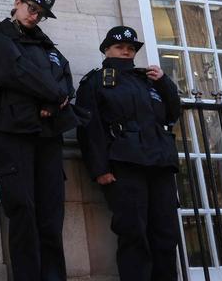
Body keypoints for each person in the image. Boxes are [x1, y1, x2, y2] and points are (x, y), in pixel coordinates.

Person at [0, 0, 79, 281]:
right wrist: (51, 96)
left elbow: (66, 80)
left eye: (41, 13)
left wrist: (56, 99)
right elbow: (13, 71)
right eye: (32, 9)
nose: (35, 16)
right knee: (22, 212)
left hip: (47, 135)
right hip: (14, 133)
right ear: (18, 2)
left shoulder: (49, 48)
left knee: (51, 216)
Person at [76, 25, 183, 281]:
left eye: (130, 48)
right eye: (119, 47)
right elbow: (89, 129)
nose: (125, 52)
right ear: (106, 50)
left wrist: (165, 82)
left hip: (159, 163)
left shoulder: (148, 80)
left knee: (166, 234)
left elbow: (172, 114)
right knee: (133, 234)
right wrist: (100, 169)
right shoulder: (95, 82)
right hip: (125, 165)